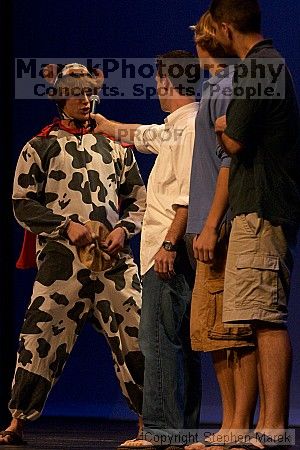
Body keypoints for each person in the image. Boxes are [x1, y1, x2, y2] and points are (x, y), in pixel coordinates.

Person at [0, 63, 146, 446]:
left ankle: (150, 419)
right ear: (61, 97)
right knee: (38, 337)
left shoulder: (116, 146)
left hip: (114, 263)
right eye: (77, 93)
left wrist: (123, 229)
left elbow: (139, 202)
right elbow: (22, 204)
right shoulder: (40, 146)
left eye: (89, 92)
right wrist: (65, 226)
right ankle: (17, 419)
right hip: (61, 265)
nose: (86, 99)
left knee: (136, 336)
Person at [92, 50, 202, 449]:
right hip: (166, 250)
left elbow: (188, 196)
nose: (156, 87)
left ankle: (160, 432)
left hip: (166, 252)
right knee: (178, 344)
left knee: (158, 342)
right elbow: (142, 134)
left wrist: (169, 243)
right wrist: (106, 125)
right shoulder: (181, 125)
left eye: (158, 79)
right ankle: (182, 431)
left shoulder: (189, 130)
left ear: (166, 83)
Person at [211, 0, 300, 448]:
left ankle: (272, 427)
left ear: (226, 28)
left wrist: (222, 124)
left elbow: (236, 141)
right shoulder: (268, 64)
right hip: (264, 208)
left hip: (263, 209)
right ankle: (266, 427)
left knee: (267, 319)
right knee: (259, 317)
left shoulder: (257, 67)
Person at [184, 11, 257, 450]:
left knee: (234, 331)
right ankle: (229, 423)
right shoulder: (211, 85)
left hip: (219, 224)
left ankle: (239, 425)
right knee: (213, 334)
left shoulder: (229, 85)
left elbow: (230, 161)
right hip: (203, 224)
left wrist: (211, 225)